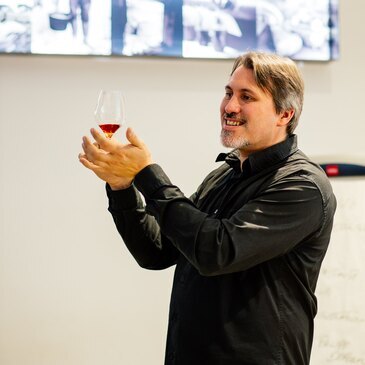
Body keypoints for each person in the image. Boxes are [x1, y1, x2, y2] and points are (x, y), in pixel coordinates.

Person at [79, 51, 336, 365]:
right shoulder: (223, 175)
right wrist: (122, 187)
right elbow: (156, 251)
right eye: (228, 93)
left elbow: (217, 251)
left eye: (247, 97)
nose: (229, 107)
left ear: (285, 114)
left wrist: (147, 173)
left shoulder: (302, 186)